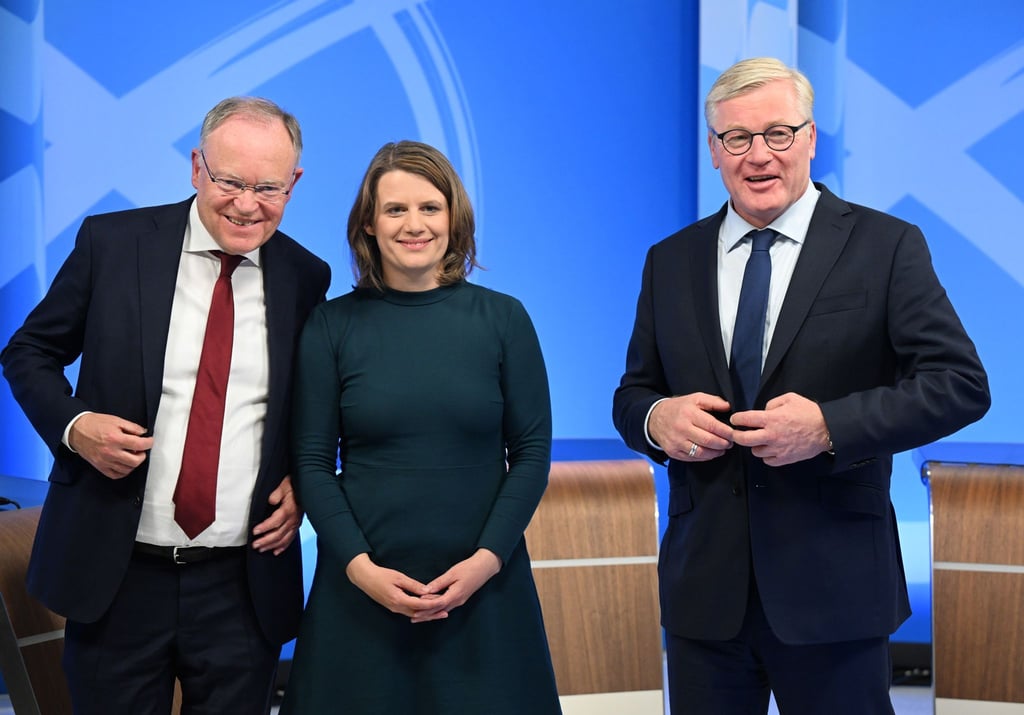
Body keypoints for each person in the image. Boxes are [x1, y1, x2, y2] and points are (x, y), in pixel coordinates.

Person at [612, 57, 990, 715]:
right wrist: (656, 420)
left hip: (836, 592)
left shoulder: (886, 246)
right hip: (705, 598)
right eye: (738, 138)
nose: (759, 155)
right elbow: (633, 392)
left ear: (811, 138)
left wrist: (828, 427)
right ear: (714, 150)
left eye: (778, 134)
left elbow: (959, 383)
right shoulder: (669, 261)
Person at [0, 96, 331, 714]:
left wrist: (304, 480)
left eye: (268, 188)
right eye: (229, 181)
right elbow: (28, 352)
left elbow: (312, 406)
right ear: (196, 167)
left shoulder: (306, 278)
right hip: (116, 574)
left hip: (244, 584)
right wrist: (75, 426)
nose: (246, 204)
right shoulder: (114, 243)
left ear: (294, 183)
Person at [281, 140, 562, 714]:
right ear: (369, 224)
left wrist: (486, 562)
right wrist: (361, 570)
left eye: (430, 208)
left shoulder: (504, 319)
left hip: (486, 592)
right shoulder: (331, 326)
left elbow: (531, 453)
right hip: (360, 594)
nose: (415, 225)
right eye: (395, 209)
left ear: (453, 217)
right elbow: (311, 462)